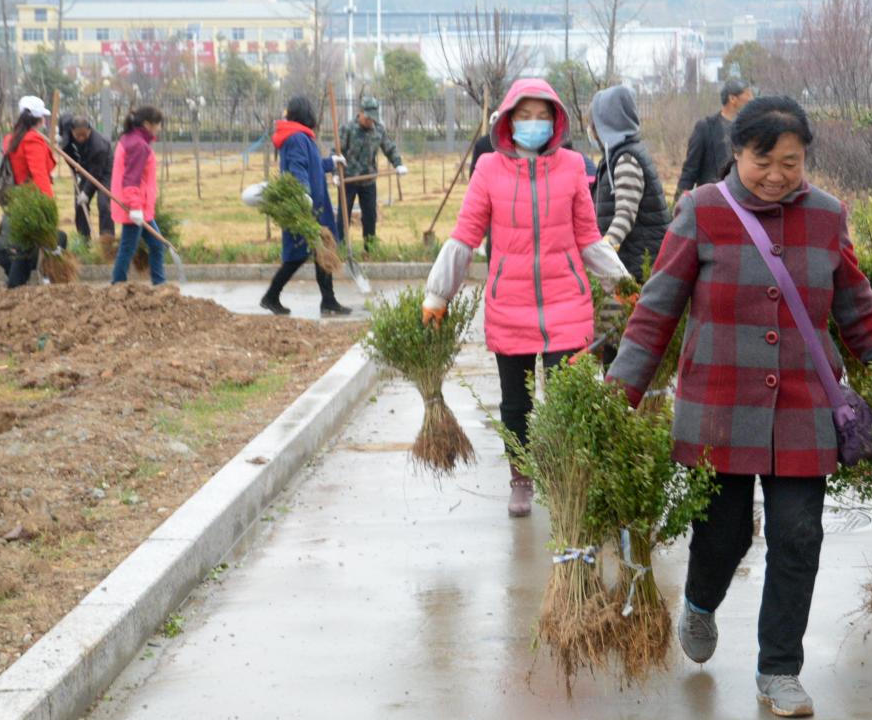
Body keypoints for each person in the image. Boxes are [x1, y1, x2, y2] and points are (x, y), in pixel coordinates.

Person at [608, 96, 872, 719]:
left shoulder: (826, 216)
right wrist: (617, 396)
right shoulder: (702, 211)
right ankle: (700, 600)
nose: (776, 175)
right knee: (725, 533)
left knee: (799, 535)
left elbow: (858, 311)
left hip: (803, 406)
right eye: (763, 161)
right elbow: (656, 310)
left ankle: (780, 669)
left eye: (790, 163)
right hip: (720, 404)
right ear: (736, 153)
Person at [420, 78, 627, 518]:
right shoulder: (488, 169)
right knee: (516, 403)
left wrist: (622, 285)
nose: (534, 123)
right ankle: (521, 476)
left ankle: (566, 475)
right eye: (525, 116)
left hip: (567, 304)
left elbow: (589, 238)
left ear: (556, 121)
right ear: (509, 121)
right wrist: (438, 294)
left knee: (568, 400)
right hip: (509, 305)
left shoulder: (572, 167)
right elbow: (465, 236)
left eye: (542, 116)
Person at [259, 96, 351, 317]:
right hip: (306, 208)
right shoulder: (297, 138)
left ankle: (328, 301)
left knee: (323, 250)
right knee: (298, 255)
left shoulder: (301, 136)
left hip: (315, 206)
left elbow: (313, 165)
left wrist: (330, 163)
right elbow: (298, 167)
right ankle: (271, 296)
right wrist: (303, 193)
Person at [590, 84, 671, 280]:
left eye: (594, 124)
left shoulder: (626, 159)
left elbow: (625, 214)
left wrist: (605, 250)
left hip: (639, 264)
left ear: (605, 125)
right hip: (632, 260)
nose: (591, 131)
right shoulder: (616, 155)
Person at [0, 96, 64, 288]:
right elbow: (39, 175)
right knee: (30, 245)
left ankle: (17, 281)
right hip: (33, 200)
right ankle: (17, 284)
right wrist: (47, 206)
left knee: (19, 242)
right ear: (39, 119)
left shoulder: (11, 138)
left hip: (17, 199)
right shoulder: (32, 140)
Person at [339, 96, 408, 250]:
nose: (370, 121)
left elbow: (389, 148)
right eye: (368, 118)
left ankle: (369, 249)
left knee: (370, 216)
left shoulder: (378, 130)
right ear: (360, 113)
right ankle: (341, 249)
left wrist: (398, 164)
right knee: (343, 217)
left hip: (368, 180)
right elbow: (337, 152)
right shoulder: (347, 129)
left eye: (373, 118)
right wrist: (336, 173)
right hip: (348, 180)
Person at [109, 106, 167, 286]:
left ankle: (160, 284)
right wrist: (134, 207)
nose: (160, 128)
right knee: (128, 248)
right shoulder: (138, 145)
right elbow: (131, 179)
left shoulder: (131, 139)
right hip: (134, 206)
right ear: (148, 124)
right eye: (158, 124)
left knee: (156, 244)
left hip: (140, 207)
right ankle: (117, 284)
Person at [676, 77, 752, 198]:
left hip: (743, 199)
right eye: (747, 94)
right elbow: (690, 169)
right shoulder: (705, 128)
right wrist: (680, 201)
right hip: (712, 198)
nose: (751, 98)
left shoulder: (750, 128)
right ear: (733, 99)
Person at [58, 115, 115, 243]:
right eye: (78, 135)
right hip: (85, 166)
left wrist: (86, 192)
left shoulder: (99, 146)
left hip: (105, 170)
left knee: (103, 204)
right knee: (79, 205)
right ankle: (84, 240)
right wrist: (60, 135)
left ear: (89, 130)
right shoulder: (67, 126)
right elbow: (63, 118)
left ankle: (106, 241)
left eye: (84, 135)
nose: (81, 138)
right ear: (72, 131)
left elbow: (96, 173)